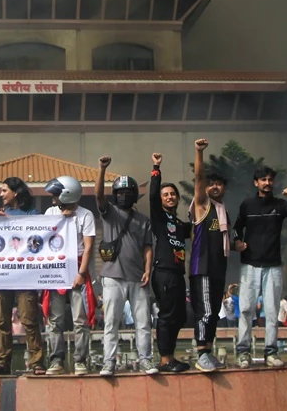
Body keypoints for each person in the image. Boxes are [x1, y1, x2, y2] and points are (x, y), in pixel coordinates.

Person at [234, 165, 287, 369]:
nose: (267, 183)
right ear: (256, 183)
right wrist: (237, 243)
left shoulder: (280, 205)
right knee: (246, 309)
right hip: (250, 264)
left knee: (271, 310)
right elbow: (236, 228)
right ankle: (243, 352)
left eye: (270, 180)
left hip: (273, 265)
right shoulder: (247, 205)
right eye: (263, 180)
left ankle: (271, 351)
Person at [95, 156, 157, 376]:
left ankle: (145, 360)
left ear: (134, 196)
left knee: (143, 322)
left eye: (127, 192)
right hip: (112, 276)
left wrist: (148, 270)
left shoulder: (143, 220)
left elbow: (148, 247)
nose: (123, 196)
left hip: (138, 277)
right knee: (111, 322)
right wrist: (102, 169)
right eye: (119, 192)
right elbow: (99, 195)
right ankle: (109, 362)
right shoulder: (109, 213)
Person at [0, 177, 46, 377]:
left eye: (5, 191)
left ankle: (36, 362)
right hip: (2, 275)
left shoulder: (31, 213)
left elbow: (37, 228)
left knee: (29, 320)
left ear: (16, 193)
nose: (1, 194)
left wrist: (9, 220)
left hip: (25, 275)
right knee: (2, 321)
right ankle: (3, 362)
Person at [42, 175, 96, 376]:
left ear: (67, 194)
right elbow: (39, 235)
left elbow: (89, 246)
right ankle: (56, 360)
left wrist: (81, 273)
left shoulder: (85, 215)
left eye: (56, 194)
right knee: (55, 319)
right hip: (56, 268)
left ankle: (80, 360)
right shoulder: (50, 212)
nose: (53, 198)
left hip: (77, 267)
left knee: (80, 319)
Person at [188, 139, 232, 372]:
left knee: (214, 312)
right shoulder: (202, 205)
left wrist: (238, 245)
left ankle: (209, 350)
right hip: (201, 267)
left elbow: (223, 240)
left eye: (219, 184)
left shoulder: (223, 211)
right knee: (204, 310)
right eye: (211, 184)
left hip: (218, 268)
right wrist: (199, 152)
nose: (214, 187)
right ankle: (201, 353)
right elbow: (198, 178)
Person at [147, 153, 191, 373]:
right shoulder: (159, 217)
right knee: (166, 315)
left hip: (177, 274)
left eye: (173, 194)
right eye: (166, 195)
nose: (170, 197)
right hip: (163, 272)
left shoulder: (179, 223)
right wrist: (156, 168)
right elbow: (153, 195)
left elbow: (198, 229)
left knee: (179, 316)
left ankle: (171, 356)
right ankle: (165, 359)